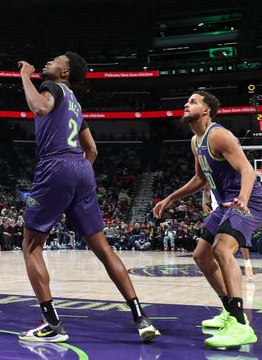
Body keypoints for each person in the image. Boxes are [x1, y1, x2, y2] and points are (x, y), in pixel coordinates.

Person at [17, 54, 160, 343]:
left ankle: (52, 324)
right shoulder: (76, 103)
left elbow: (39, 107)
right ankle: (141, 318)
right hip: (82, 170)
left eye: (55, 60)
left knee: (31, 246)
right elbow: (92, 150)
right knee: (104, 249)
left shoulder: (52, 88)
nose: (49, 62)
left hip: (55, 165)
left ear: (65, 72)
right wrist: (76, 179)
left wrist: (25, 76)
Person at [155, 90, 262, 349]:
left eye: (193, 101)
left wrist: (243, 198)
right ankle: (229, 311)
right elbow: (200, 179)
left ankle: (240, 325)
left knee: (221, 249)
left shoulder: (218, 134)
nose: (186, 104)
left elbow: (247, 170)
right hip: (226, 203)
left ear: (206, 111)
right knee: (201, 256)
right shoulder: (195, 142)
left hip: (248, 201)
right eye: (187, 101)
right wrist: (170, 198)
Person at [203, 184, 254, 280]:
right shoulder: (209, 173)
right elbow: (206, 188)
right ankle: (225, 268)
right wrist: (204, 202)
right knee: (220, 242)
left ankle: (248, 265)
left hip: (233, 207)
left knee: (242, 238)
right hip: (217, 210)